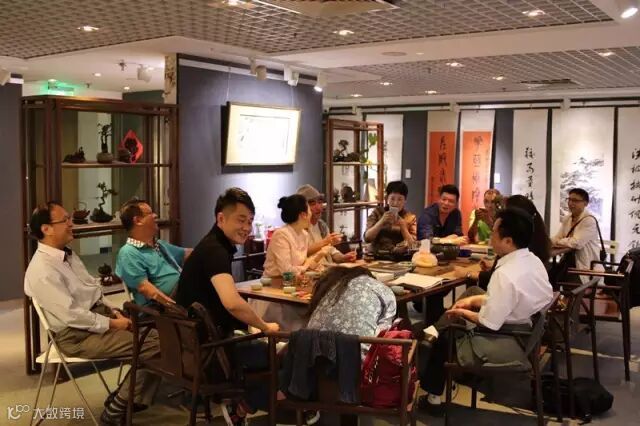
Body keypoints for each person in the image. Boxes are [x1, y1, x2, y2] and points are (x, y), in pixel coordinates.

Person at [24, 202, 161, 425]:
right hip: (76, 335)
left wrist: (113, 311)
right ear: (46, 229)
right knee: (157, 344)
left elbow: (93, 290)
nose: (71, 224)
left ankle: (127, 398)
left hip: (95, 320)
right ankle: (120, 405)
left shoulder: (66, 255)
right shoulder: (42, 270)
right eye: (65, 220)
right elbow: (72, 316)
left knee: (160, 336)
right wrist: (112, 323)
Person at [418, 208, 553, 415]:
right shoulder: (531, 260)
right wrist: (473, 300)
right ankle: (433, 332)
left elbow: (489, 322)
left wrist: (462, 313)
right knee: (471, 294)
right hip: (526, 329)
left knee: (449, 333)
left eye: (494, 231)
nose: (490, 234)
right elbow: (513, 298)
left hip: (510, 339)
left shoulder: (505, 274)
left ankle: (432, 398)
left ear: (508, 241)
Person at [175, 188, 279, 423]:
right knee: (278, 354)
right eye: (241, 220)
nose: (246, 227)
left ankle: (241, 404)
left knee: (268, 345)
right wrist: (264, 326)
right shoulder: (215, 251)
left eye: (250, 221)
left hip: (199, 344)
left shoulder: (213, 245)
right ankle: (242, 406)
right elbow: (232, 303)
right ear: (221, 218)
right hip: (210, 352)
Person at [453, 194, 552, 289]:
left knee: (472, 291)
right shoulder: (532, 248)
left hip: (507, 294)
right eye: (486, 201)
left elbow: (498, 279)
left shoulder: (517, 245)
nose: (490, 206)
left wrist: (468, 273)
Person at [306, 266, 397, 358]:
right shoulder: (382, 289)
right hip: (356, 360)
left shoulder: (331, 286)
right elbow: (383, 333)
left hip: (309, 358)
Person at [116, 199, 192, 306]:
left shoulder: (159, 244)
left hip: (185, 293)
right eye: (150, 213)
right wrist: (174, 307)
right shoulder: (128, 252)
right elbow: (146, 289)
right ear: (138, 220)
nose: (155, 215)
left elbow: (189, 254)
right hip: (163, 308)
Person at [262, 194, 331, 277]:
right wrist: (305, 267)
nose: (311, 214)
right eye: (309, 211)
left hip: (295, 281)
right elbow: (286, 271)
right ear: (303, 215)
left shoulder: (304, 234)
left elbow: (304, 263)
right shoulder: (281, 235)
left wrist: (318, 257)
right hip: (273, 282)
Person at [551, 188, 604, 280]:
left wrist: (558, 242)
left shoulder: (589, 220)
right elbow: (558, 236)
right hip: (568, 262)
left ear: (585, 203)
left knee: (558, 279)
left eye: (575, 200)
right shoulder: (567, 218)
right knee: (550, 276)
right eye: (569, 199)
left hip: (585, 266)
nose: (570, 203)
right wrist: (550, 242)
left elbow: (576, 243)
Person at [297, 184, 356, 264]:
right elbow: (301, 253)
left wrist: (343, 257)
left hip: (327, 268)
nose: (318, 207)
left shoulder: (322, 225)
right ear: (302, 208)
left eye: (320, 202)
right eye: (312, 204)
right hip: (309, 269)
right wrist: (325, 241)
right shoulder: (297, 228)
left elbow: (331, 250)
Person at [364, 180, 417, 255]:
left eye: (400, 199)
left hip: (400, 257)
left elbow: (413, 245)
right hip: (377, 255)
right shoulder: (377, 212)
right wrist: (381, 222)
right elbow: (367, 238)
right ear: (387, 199)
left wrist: (403, 228)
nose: (395, 203)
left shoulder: (410, 217)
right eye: (392, 199)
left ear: (405, 200)